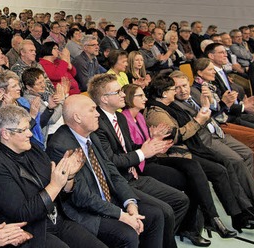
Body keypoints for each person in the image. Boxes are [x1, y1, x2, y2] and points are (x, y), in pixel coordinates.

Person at [145, 74, 254, 232]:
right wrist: (199, 120)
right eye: (174, 88)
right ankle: (238, 213)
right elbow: (176, 136)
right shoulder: (157, 111)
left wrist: (207, 108)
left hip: (201, 139)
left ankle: (246, 210)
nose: (177, 91)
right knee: (224, 167)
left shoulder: (172, 104)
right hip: (183, 150)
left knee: (234, 160)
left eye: (182, 86)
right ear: (164, 92)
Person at [120, 83, 238, 243]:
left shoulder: (139, 116)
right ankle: (196, 225)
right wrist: (153, 140)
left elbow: (151, 143)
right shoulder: (125, 119)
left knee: (193, 167)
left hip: (154, 158)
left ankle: (209, 219)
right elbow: (131, 149)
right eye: (140, 96)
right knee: (192, 180)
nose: (145, 98)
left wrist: (156, 139)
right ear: (129, 98)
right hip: (143, 166)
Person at [46, 94, 166, 247]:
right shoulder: (60, 147)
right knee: (127, 235)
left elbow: (112, 172)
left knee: (156, 215)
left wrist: (130, 204)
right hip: (86, 211)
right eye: (92, 110)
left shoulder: (91, 135)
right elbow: (81, 196)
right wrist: (122, 216)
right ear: (77, 117)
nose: (98, 114)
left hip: (107, 200)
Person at [0, 105, 107, 248]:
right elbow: (23, 215)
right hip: (29, 232)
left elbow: (60, 195)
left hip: (55, 220)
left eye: (29, 128)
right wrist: (55, 185)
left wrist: (68, 177)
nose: (30, 133)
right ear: (5, 134)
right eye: (23, 130)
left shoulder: (33, 150)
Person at [193, 58, 254, 192]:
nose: (214, 72)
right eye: (210, 70)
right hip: (221, 124)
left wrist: (231, 103)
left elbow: (222, 107)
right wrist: (227, 104)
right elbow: (212, 113)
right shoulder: (197, 90)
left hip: (225, 118)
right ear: (199, 72)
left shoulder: (210, 86)